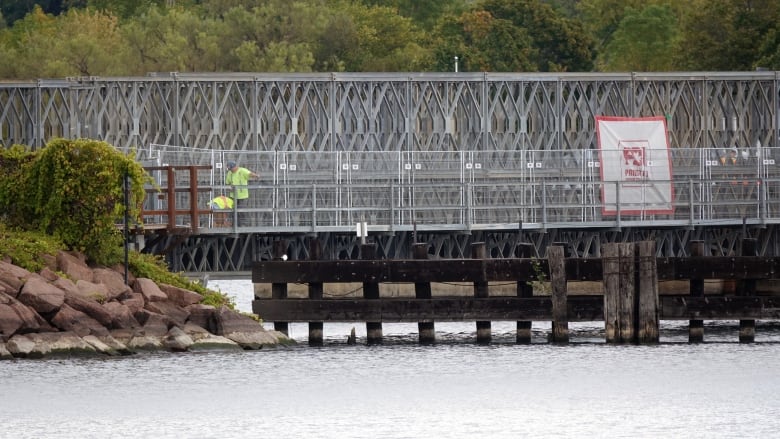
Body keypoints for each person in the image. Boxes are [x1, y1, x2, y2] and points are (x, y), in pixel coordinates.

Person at [225, 161, 258, 226]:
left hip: (242, 196)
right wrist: (229, 187)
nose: (230, 170)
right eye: (229, 169)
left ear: (235, 167)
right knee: (233, 212)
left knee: (242, 211)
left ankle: (245, 225)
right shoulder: (229, 173)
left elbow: (249, 174)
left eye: (231, 169)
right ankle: (235, 225)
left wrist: (256, 176)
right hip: (233, 196)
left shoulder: (242, 171)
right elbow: (227, 183)